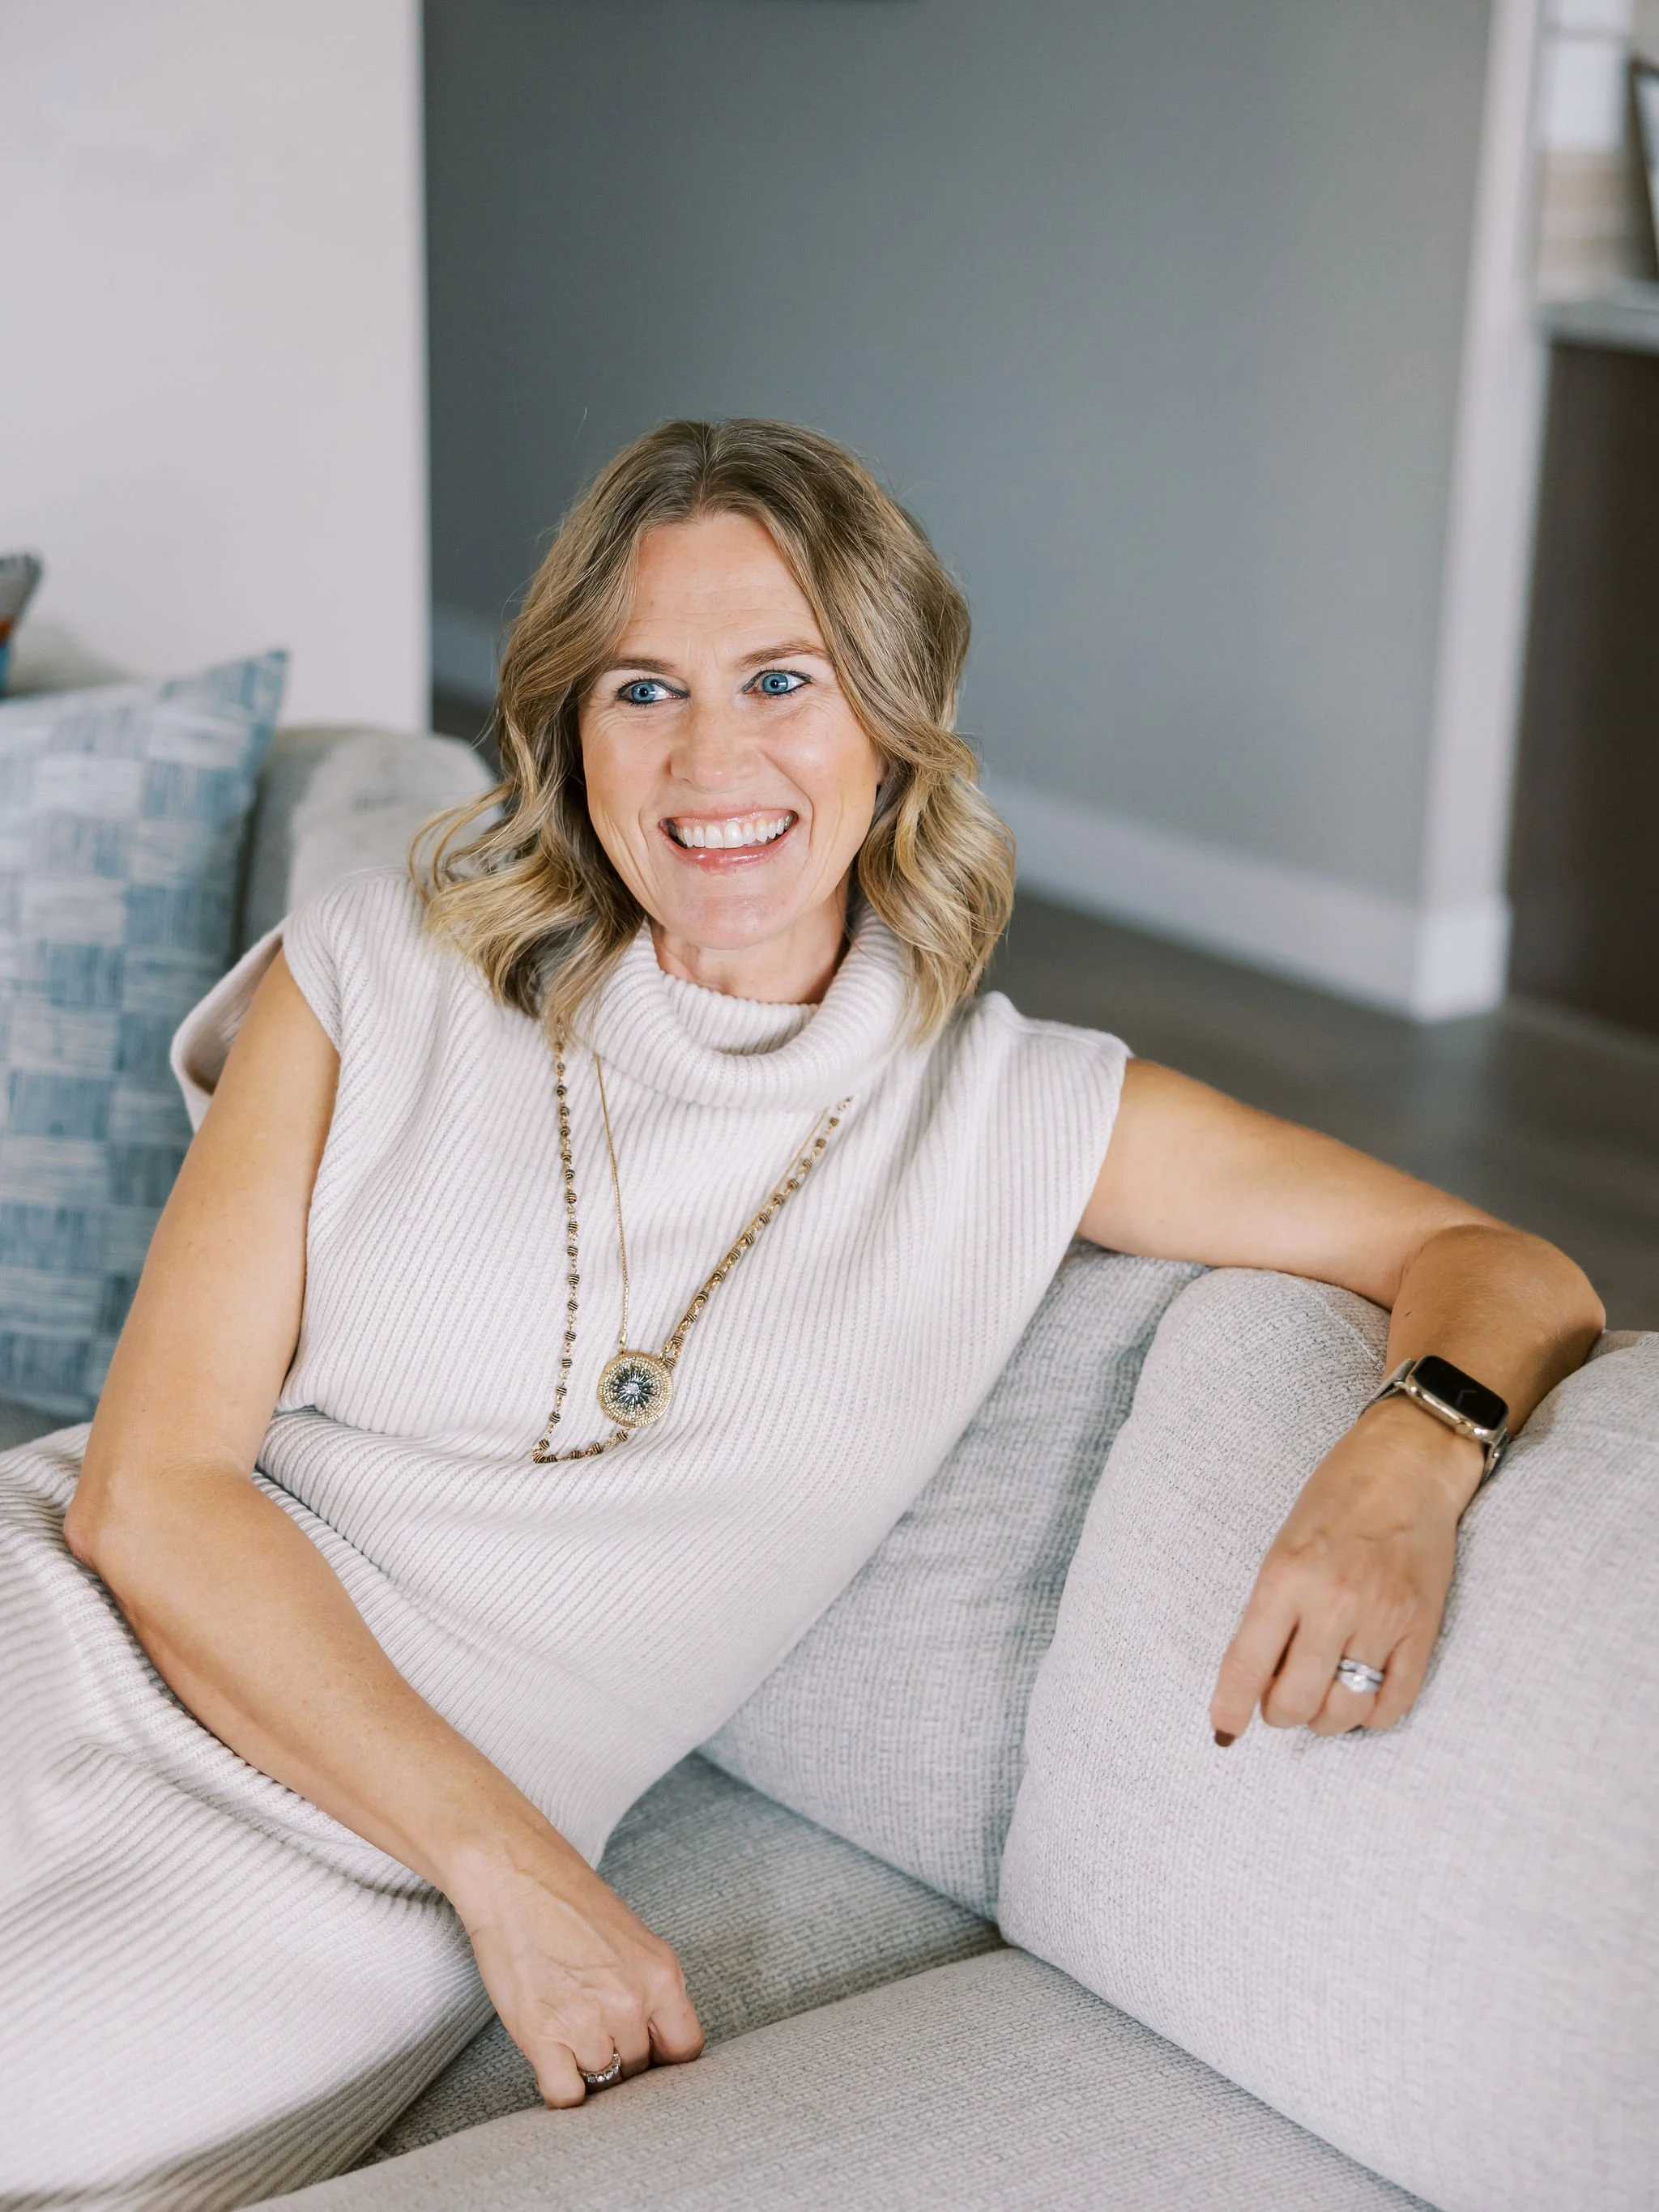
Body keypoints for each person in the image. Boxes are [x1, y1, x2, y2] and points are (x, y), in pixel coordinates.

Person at [2, 420, 1602, 2209]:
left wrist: (1406, 1458)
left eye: (784, 679)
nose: (712, 759)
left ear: (892, 726)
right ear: (567, 728)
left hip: (341, 1893)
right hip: (74, 1633)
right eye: (643, 690)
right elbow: (149, 1495)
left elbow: (1497, 1259)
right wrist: (517, 1874)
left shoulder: (1021, 1116)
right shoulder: (379, 962)